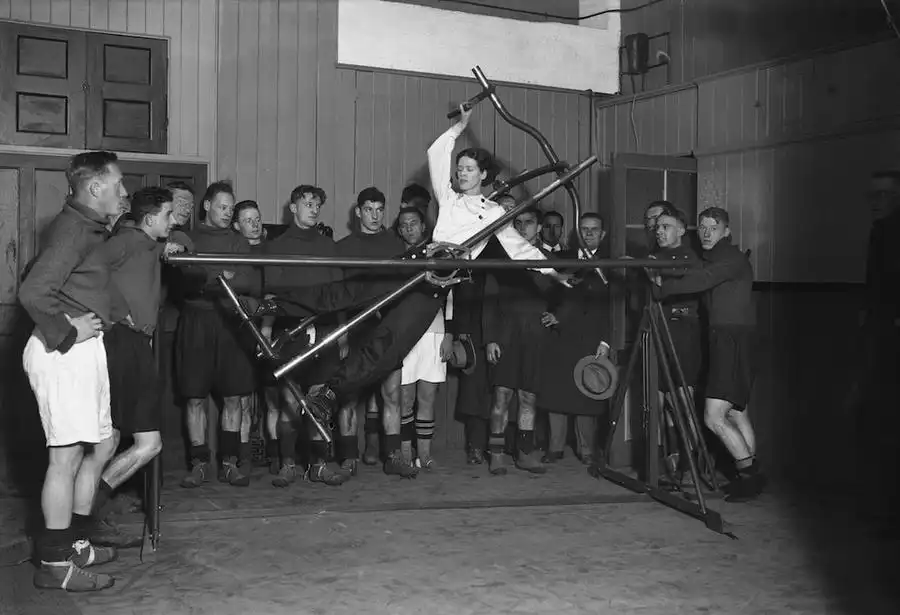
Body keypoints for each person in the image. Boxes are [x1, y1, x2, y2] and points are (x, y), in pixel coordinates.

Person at [266, 103, 573, 429]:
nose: (462, 173)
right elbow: (436, 154)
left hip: (436, 286)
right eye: (460, 168)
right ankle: (272, 305)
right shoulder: (449, 197)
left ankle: (328, 395)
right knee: (346, 292)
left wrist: (553, 271)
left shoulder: (496, 214)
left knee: (387, 346)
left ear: (483, 175)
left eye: (470, 169)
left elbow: (520, 249)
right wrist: (458, 128)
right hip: (416, 264)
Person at [19, 150, 127, 592]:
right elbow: (32, 292)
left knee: (101, 443)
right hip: (62, 352)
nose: (124, 191)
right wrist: (68, 331)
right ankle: (54, 564)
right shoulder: (72, 229)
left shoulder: (89, 227)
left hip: (83, 350)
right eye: (118, 183)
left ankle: (75, 543)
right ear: (95, 187)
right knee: (64, 459)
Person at [89, 188, 185, 548]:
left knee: (114, 437)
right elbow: (88, 268)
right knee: (147, 443)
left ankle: (83, 516)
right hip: (123, 342)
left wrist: (171, 248)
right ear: (150, 218)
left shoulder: (147, 244)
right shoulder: (127, 241)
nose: (173, 220)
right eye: (168, 215)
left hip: (132, 343)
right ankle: (86, 512)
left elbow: (166, 250)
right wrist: (116, 310)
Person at [653, 207, 763, 502]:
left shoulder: (730, 258)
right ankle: (749, 475)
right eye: (702, 227)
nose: (706, 232)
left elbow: (701, 280)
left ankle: (750, 476)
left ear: (726, 231)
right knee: (737, 411)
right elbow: (697, 274)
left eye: (713, 228)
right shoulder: (712, 258)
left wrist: (662, 286)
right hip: (725, 337)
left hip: (732, 338)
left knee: (714, 417)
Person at [175, 181, 261, 488]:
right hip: (196, 322)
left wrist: (209, 276)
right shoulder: (188, 237)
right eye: (222, 207)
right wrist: (222, 275)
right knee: (194, 397)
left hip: (230, 321)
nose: (227, 213)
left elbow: (248, 281)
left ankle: (229, 463)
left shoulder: (238, 242)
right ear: (207, 205)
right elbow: (187, 278)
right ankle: (199, 464)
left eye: (230, 208)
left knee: (234, 397)